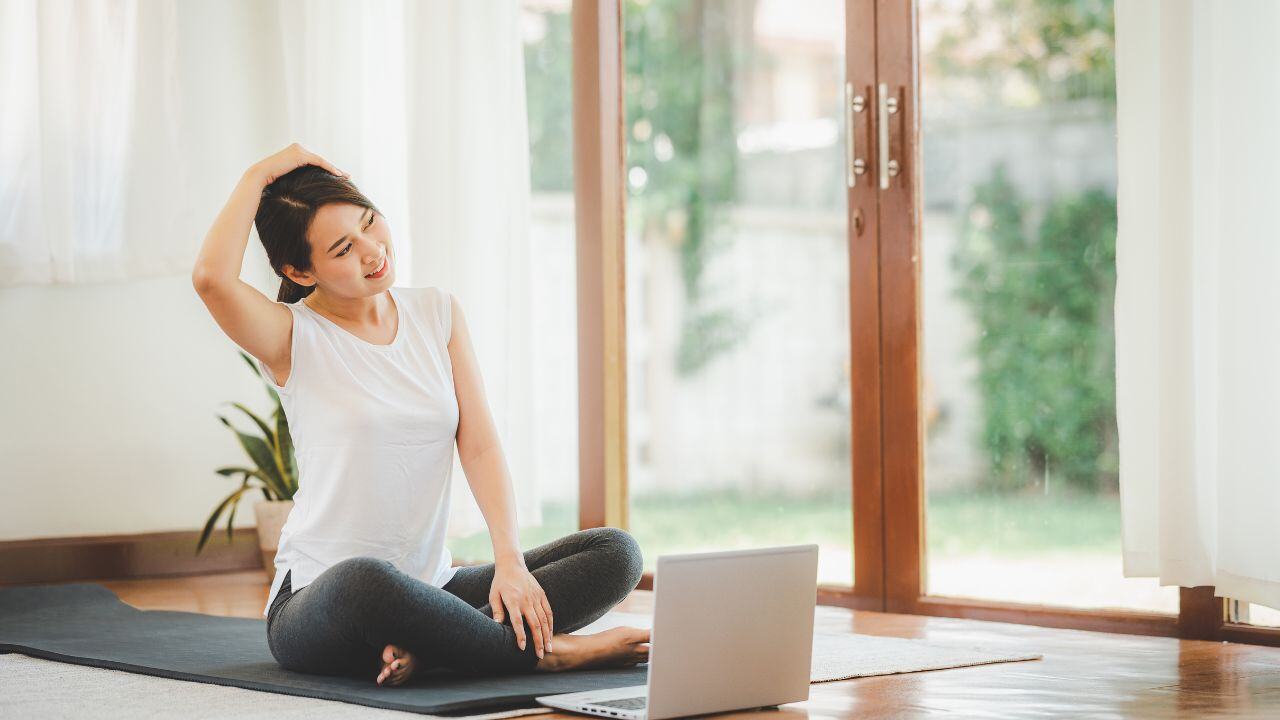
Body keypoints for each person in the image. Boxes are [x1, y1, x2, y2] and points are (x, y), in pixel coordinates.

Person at [192, 143, 650, 686]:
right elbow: (211, 279)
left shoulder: (436, 312)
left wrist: (510, 563)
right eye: (342, 248)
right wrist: (260, 171)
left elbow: (478, 443)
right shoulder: (292, 336)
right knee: (367, 580)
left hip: (434, 588)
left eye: (368, 223)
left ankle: (435, 649)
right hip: (322, 600)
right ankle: (547, 654)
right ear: (300, 269)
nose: (372, 250)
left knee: (615, 552)